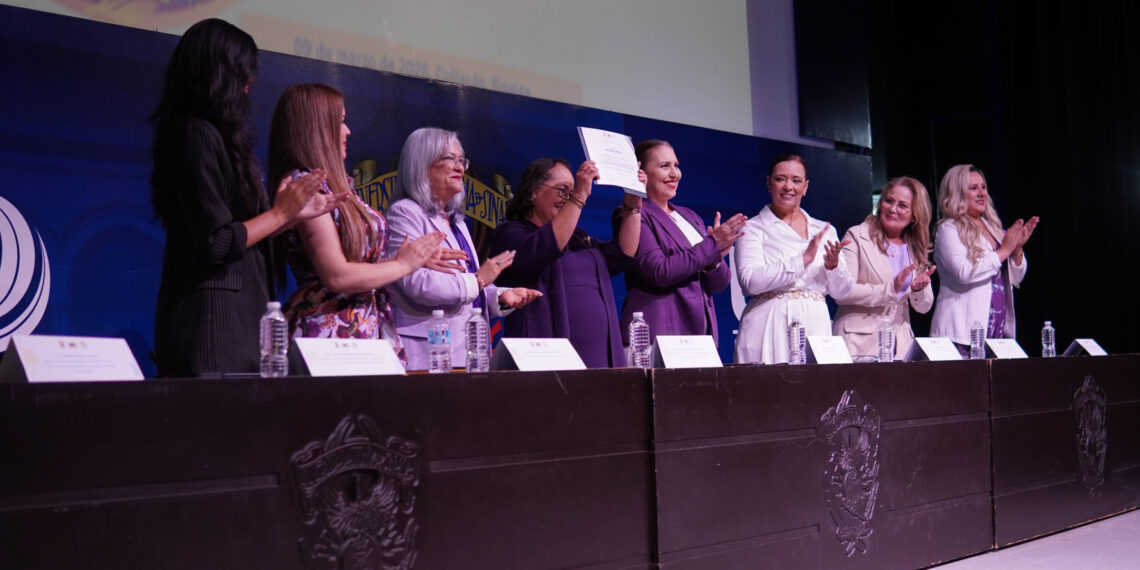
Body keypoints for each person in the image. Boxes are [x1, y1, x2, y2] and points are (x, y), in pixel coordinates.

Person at [149, 19, 343, 377]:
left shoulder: (222, 140)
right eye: (242, 76)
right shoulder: (194, 134)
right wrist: (281, 213)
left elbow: (241, 232)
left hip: (243, 321)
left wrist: (291, 215)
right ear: (218, 75)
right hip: (212, 327)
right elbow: (217, 241)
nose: (248, 89)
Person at [267, 84, 444, 364]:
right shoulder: (305, 186)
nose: (347, 131)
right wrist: (402, 265)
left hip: (361, 329)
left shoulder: (336, 185)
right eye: (339, 122)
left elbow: (355, 264)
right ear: (317, 128)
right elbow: (337, 276)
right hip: (327, 334)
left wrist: (407, 258)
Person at [385, 127, 541, 370]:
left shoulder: (456, 221)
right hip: (425, 354)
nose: (460, 168)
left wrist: (499, 296)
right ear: (421, 164)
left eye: (461, 161)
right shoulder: (405, 213)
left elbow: (466, 286)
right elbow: (417, 283)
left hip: (467, 351)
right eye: (449, 159)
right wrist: (479, 280)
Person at [489, 157, 644, 368]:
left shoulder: (577, 237)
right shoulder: (511, 233)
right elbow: (545, 247)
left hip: (599, 357)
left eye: (572, 192)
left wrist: (633, 205)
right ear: (533, 191)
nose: (568, 198)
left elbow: (622, 254)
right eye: (563, 190)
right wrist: (579, 195)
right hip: (548, 358)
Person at [618, 139, 746, 347]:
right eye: (664, 166)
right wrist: (712, 245)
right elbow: (658, 271)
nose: (674, 173)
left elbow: (719, 283)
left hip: (699, 336)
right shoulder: (634, 214)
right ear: (641, 173)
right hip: (659, 334)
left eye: (676, 165)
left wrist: (714, 259)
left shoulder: (689, 216)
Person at [734, 153, 853, 364]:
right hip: (769, 323)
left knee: (816, 392)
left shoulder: (824, 230)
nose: (789, 186)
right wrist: (802, 260)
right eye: (781, 179)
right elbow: (750, 281)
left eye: (796, 181)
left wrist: (833, 266)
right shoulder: (753, 228)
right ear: (768, 182)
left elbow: (842, 292)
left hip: (815, 324)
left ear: (806, 187)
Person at [930, 164, 1038, 353]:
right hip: (960, 335)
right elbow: (964, 273)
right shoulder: (948, 229)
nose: (981, 193)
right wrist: (1004, 250)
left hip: (995, 333)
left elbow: (1015, 279)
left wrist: (1017, 250)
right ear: (957, 193)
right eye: (973, 188)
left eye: (983, 187)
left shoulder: (993, 227)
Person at [832, 176, 936, 360]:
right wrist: (890, 289)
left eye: (902, 205)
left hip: (900, 345)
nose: (893, 209)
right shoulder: (857, 235)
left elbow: (923, 307)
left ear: (915, 215)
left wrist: (918, 290)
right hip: (859, 343)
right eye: (889, 201)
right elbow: (843, 292)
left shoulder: (915, 246)